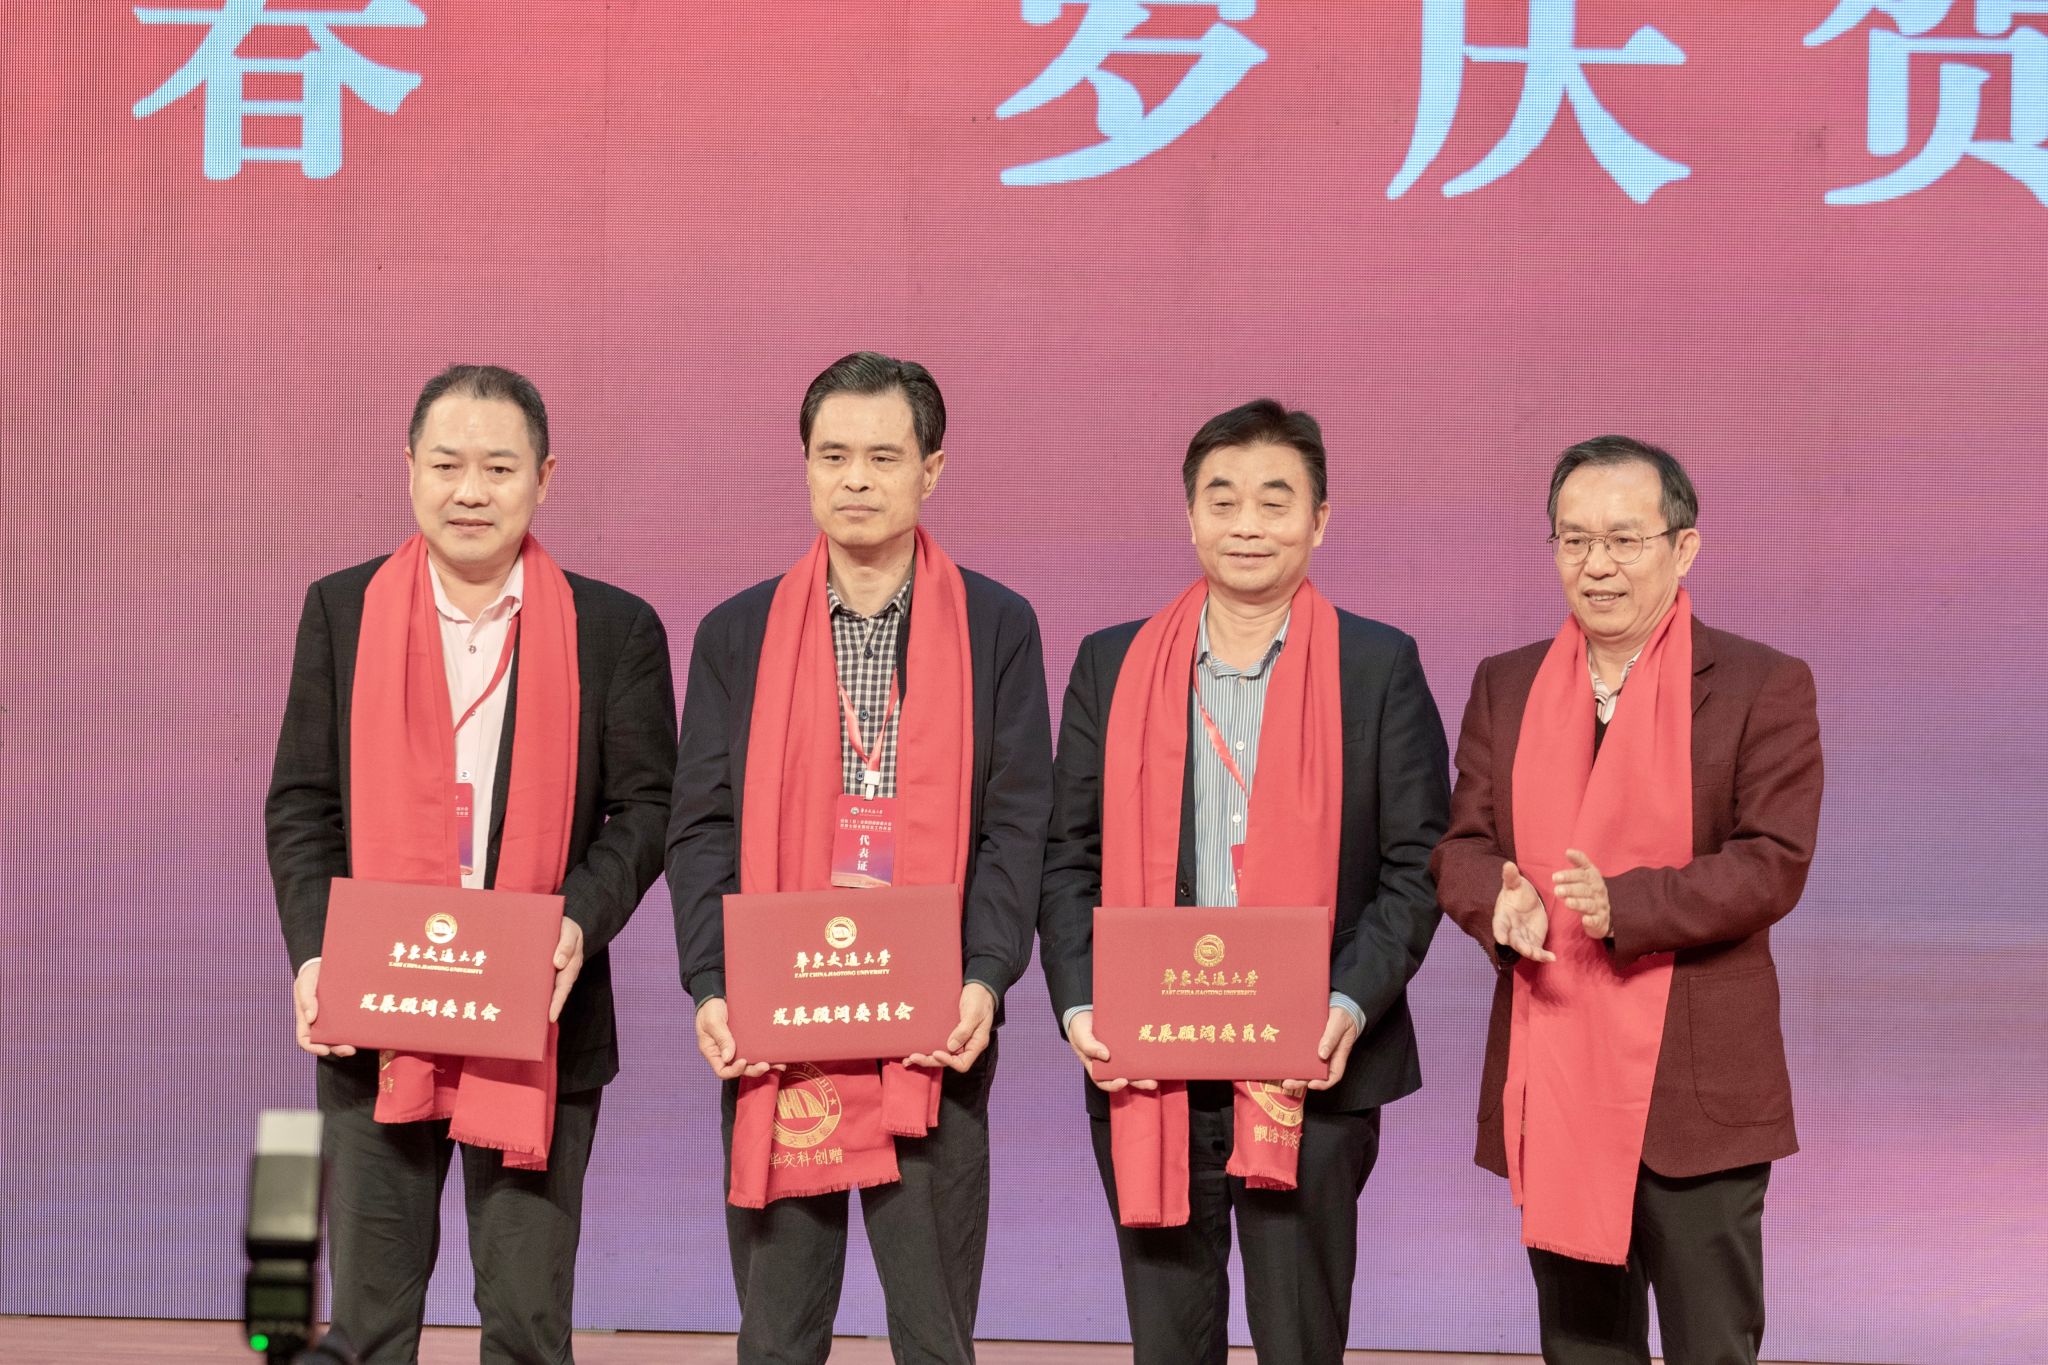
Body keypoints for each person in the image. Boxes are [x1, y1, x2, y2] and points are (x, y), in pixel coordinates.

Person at [265, 363, 676, 1365]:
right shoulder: (342, 610)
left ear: (544, 476)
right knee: (367, 1325)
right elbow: (303, 803)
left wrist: (574, 920)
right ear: (409, 468)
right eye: (447, 464)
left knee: (528, 1325)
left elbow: (648, 807)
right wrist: (316, 955)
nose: (471, 491)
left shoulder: (612, 628)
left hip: (536, 1020)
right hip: (375, 1015)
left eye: (499, 467)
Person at [1037, 399, 1449, 1364]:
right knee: (1169, 1344)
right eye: (1223, 501)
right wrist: (1081, 1003)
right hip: (1150, 1065)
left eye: (1275, 500)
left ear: (1320, 518)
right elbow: (1068, 856)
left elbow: (1416, 865)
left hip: (1314, 1068)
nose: (1248, 524)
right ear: (1190, 517)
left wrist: (1348, 1002)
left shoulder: (1377, 665)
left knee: (1299, 1340)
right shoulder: (1112, 662)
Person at [667, 351, 1053, 1364]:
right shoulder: (737, 632)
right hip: (778, 1024)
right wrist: (713, 984)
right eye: (831, 455)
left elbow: (1017, 823)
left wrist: (983, 978)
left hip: (933, 1026)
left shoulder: (996, 625)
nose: (855, 479)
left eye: (884, 456)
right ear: (804, 465)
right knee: (777, 1336)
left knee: (933, 1334)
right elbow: (700, 827)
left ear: (931, 469)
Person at [1430, 435, 1823, 1365]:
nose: (1596, 564)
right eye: (1573, 540)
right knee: (1582, 1350)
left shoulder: (1761, 684)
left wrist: (1627, 907)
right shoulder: (1507, 683)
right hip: (1557, 1075)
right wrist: (1498, 904)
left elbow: (1773, 861)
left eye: (1623, 539)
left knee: (1711, 1347)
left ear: (1684, 548)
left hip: (1695, 1091)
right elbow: (1461, 846)